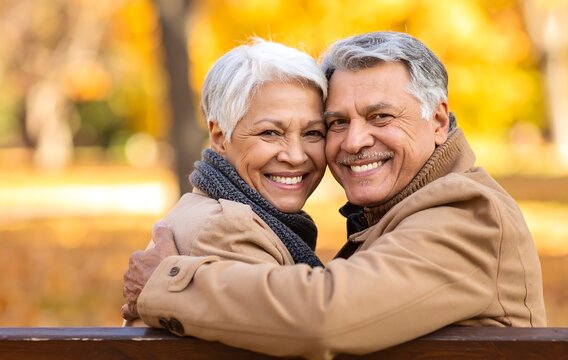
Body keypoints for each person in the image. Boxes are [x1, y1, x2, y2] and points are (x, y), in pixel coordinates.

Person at [123, 31, 546, 359]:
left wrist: (169, 284)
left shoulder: (466, 213)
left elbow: (324, 316)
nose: (355, 141)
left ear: (437, 121)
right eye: (337, 123)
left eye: (380, 116)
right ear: (219, 136)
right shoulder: (227, 225)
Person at [121, 38, 329, 323]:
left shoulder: (214, 208)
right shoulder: (228, 229)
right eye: (270, 133)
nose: (295, 155)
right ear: (220, 137)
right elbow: (300, 333)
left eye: (313, 133)